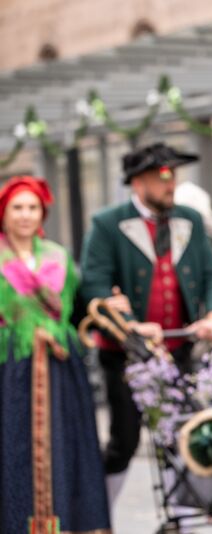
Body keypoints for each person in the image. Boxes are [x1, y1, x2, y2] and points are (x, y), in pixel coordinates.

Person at [80, 142, 212, 505]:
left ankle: (181, 519)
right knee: (125, 440)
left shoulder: (190, 219)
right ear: (137, 182)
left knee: (182, 436)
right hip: (125, 355)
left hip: (178, 349)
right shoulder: (107, 223)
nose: (170, 183)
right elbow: (94, 284)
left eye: (172, 175)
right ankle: (101, 518)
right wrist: (131, 324)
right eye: (161, 176)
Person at [0, 176, 110, 533]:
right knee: (13, 448)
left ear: (42, 213)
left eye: (33, 207)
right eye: (17, 207)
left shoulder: (58, 257)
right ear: (4, 213)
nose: (25, 215)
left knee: (65, 447)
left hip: (61, 369)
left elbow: (77, 310)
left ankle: (66, 522)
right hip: (10, 371)